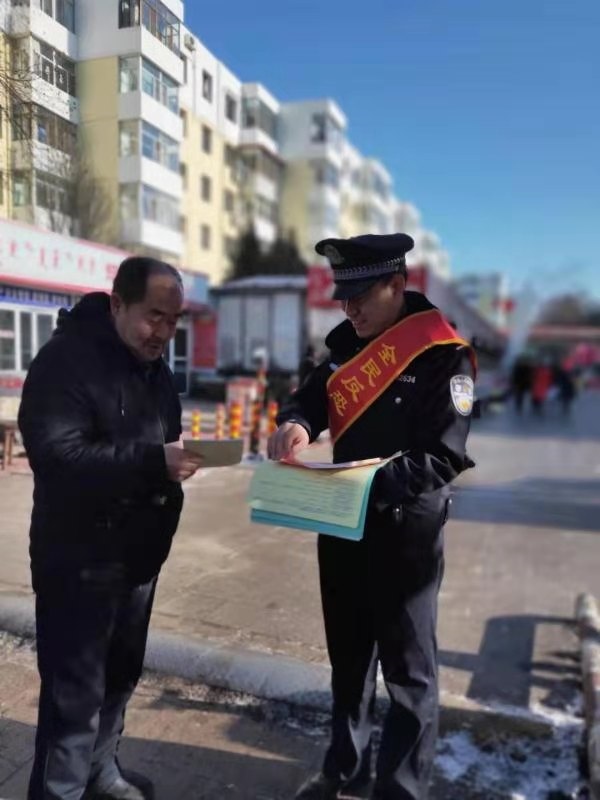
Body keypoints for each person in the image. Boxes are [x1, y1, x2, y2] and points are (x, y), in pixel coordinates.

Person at [268, 234, 476, 800]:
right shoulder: (345, 346)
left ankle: (401, 788)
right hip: (344, 526)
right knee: (349, 659)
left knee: (409, 673)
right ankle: (345, 769)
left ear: (397, 284)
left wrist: (364, 485)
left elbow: (444, 456)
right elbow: (311, 398)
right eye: (343, 296)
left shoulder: (442, 352)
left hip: (406, 533)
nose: (349, 308)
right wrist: (296, 424)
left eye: (361, 296)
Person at [18, 257, 203, 800]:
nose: (163, 332)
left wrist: (173, 467)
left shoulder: (155, 369)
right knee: (73, 701)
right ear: (118, 304)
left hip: (137, 560)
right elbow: (58, 457)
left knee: (120, 679)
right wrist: (154, 462)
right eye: (154, 316)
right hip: (80, 563)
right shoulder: (66, 362)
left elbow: (161, 441)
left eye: (174, 321)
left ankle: (101, 774)